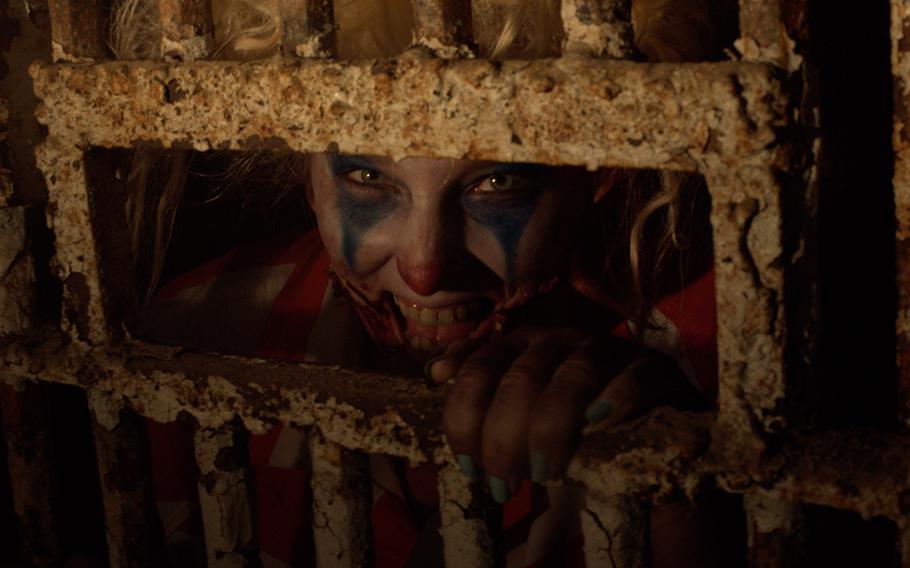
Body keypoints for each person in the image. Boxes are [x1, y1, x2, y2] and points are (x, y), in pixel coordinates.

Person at [121, 0, 737, 566]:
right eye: (366, 175)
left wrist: (688, 504)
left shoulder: (716, 362)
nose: (425, 266)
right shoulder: (190, 338)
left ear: (595, 178)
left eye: (496, 183)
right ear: (305, 171)